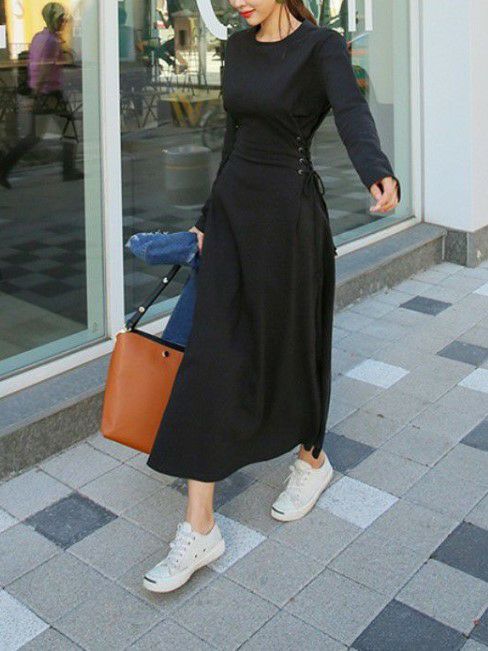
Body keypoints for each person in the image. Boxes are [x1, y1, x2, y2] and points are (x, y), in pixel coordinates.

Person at [143, 0, 400, 594]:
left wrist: (376, 170)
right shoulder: (237, 48)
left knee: (292, 346)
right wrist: (206, 219)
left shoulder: (321, 47)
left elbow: (352, 112)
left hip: (289, 220)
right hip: (234, 218)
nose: (237, 2)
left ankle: (312, 460)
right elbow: (233, 140)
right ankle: (199, 527)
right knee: (210, 355)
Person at [0, 2, 83, 189]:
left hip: (42, 92)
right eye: (61, 19)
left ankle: (3, 169)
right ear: (54, 19)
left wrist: (34, 92)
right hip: (50, 93)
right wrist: (36, 94)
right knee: (69, 131)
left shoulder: (39, 37)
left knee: (34, 136)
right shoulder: (52, 42)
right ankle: (68, 170)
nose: (64, 22)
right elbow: (45, 68)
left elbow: (36, 64)